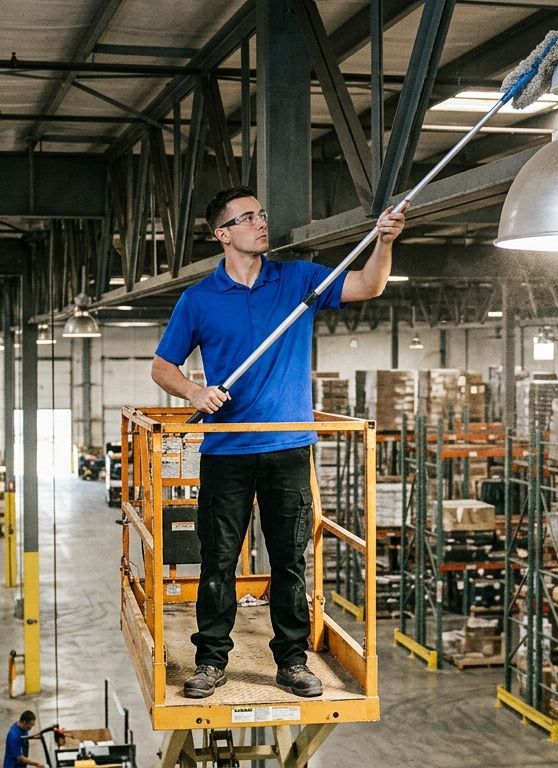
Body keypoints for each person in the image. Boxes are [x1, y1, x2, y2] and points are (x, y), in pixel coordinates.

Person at [151, 186, 405, 699]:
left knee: (290, 559)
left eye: (262, 214)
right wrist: (195, 392)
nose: (261, 224)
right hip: (227, 449)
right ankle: (211, 661)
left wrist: (384, 243)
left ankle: (292, 661)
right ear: (222, 234)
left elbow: (368, 287)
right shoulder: (199, 299)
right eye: (247, 218)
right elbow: (161, 367)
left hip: (288, 446)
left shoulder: (299, 280)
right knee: (219, 560)